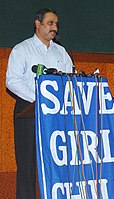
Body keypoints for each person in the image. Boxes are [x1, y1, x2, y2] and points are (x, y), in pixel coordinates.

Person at [6, 8, 73, 199]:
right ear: (38, 23)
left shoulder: (61, 51)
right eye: (50, 23)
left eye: (56, 24)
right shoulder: (22, 49)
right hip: (29, 112)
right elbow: (12, 80)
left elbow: (69, 78)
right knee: (28, 164)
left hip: (57, 115)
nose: (54, 28)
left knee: (56, 162)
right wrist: (40, 99)